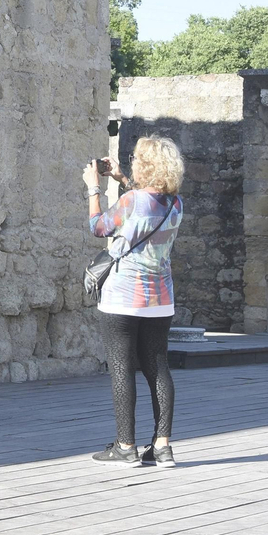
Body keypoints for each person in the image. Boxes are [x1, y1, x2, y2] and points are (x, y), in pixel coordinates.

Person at [83, 136, 184, 468]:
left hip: (123, 298)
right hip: (161, 299)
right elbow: (146, 205)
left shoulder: (132, 201)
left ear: (146, 166)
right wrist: (123, 179)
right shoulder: (175, 204)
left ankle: (125, 446)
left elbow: (99, 227)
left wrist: (94, 188)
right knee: (158, 367)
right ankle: (163, 447)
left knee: (121, 367)